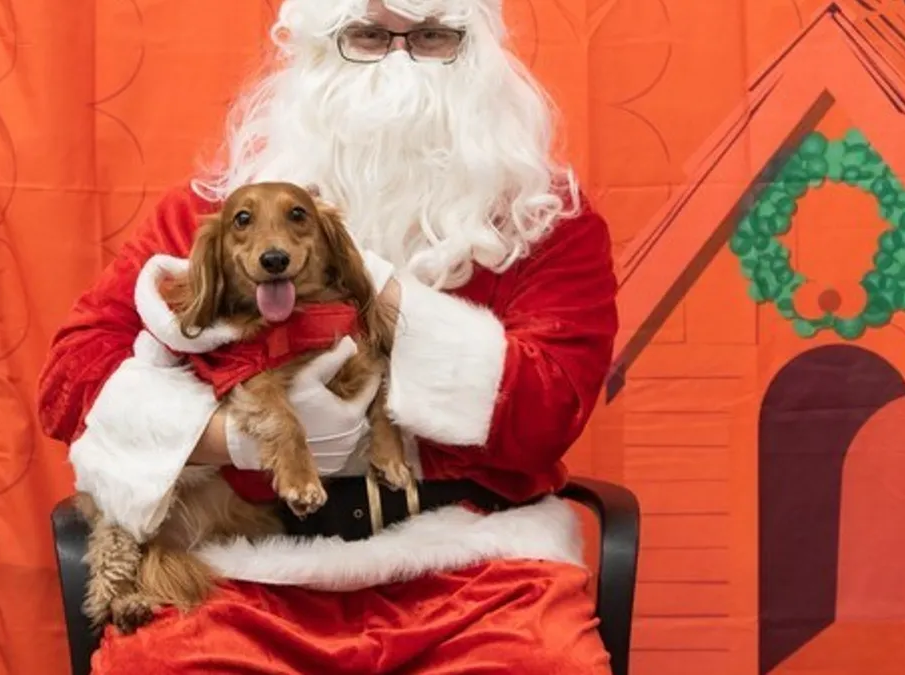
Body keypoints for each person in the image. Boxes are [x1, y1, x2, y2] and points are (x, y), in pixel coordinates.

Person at [36, 0, 619, 672]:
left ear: (483, 55)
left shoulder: (544, 222)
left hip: (476, 566)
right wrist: (234, 438)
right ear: (313, 54)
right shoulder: (221, 216)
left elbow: (551, 411)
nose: (400, 64)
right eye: (367, 37)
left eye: (433, 37)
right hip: (246, 566)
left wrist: (382, 294)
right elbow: (70, 376)